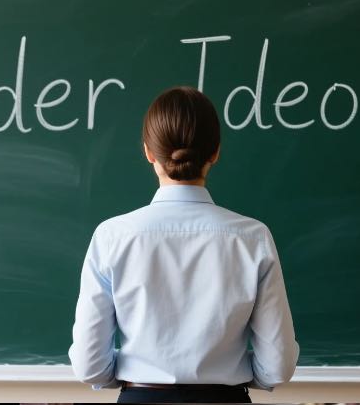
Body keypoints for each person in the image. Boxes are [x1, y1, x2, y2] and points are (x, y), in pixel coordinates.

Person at [69, 86, 299, 403]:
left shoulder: (112, 236)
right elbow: (277, 366)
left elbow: (89, 364)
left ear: (149, 153)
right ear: (215, 152)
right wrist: (230, 374)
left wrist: (136, 374)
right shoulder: (252, 237)